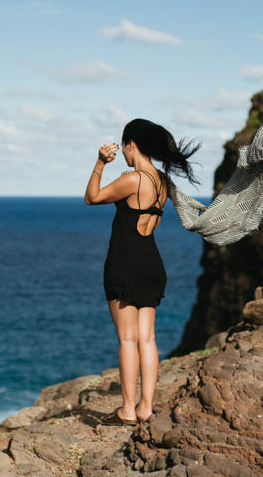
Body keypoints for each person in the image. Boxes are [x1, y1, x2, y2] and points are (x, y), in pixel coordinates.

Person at [84, 118, 199, 426]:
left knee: (127, 339)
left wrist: (99, 164)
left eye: (123, 147)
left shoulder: (134, 180)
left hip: (125, 262)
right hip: (152, 262)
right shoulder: (162, 182)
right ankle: (146, 407)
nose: (121, 152)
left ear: (130, 145)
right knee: (147, 339)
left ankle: (127, 410)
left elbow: (92, 198)